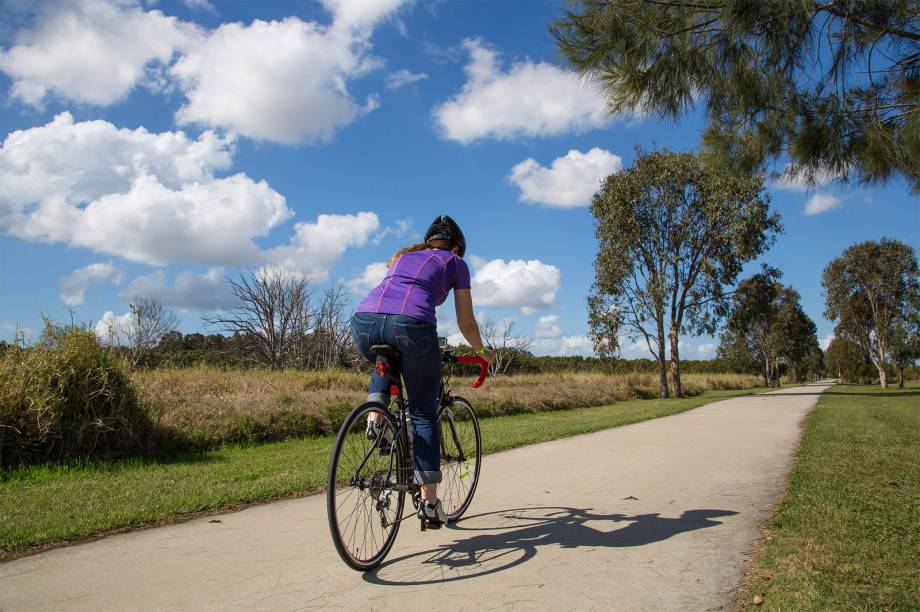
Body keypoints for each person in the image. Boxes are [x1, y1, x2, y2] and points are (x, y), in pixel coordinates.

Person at [350, 215, 494, 527]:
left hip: (363, 322)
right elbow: (466, 323)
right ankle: (429, 504)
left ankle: (375, 417)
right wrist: (482, 352)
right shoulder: (455, 262)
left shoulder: (403, 256)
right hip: (412, 327)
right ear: (456, 247)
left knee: (384, 359)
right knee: (424, 413)